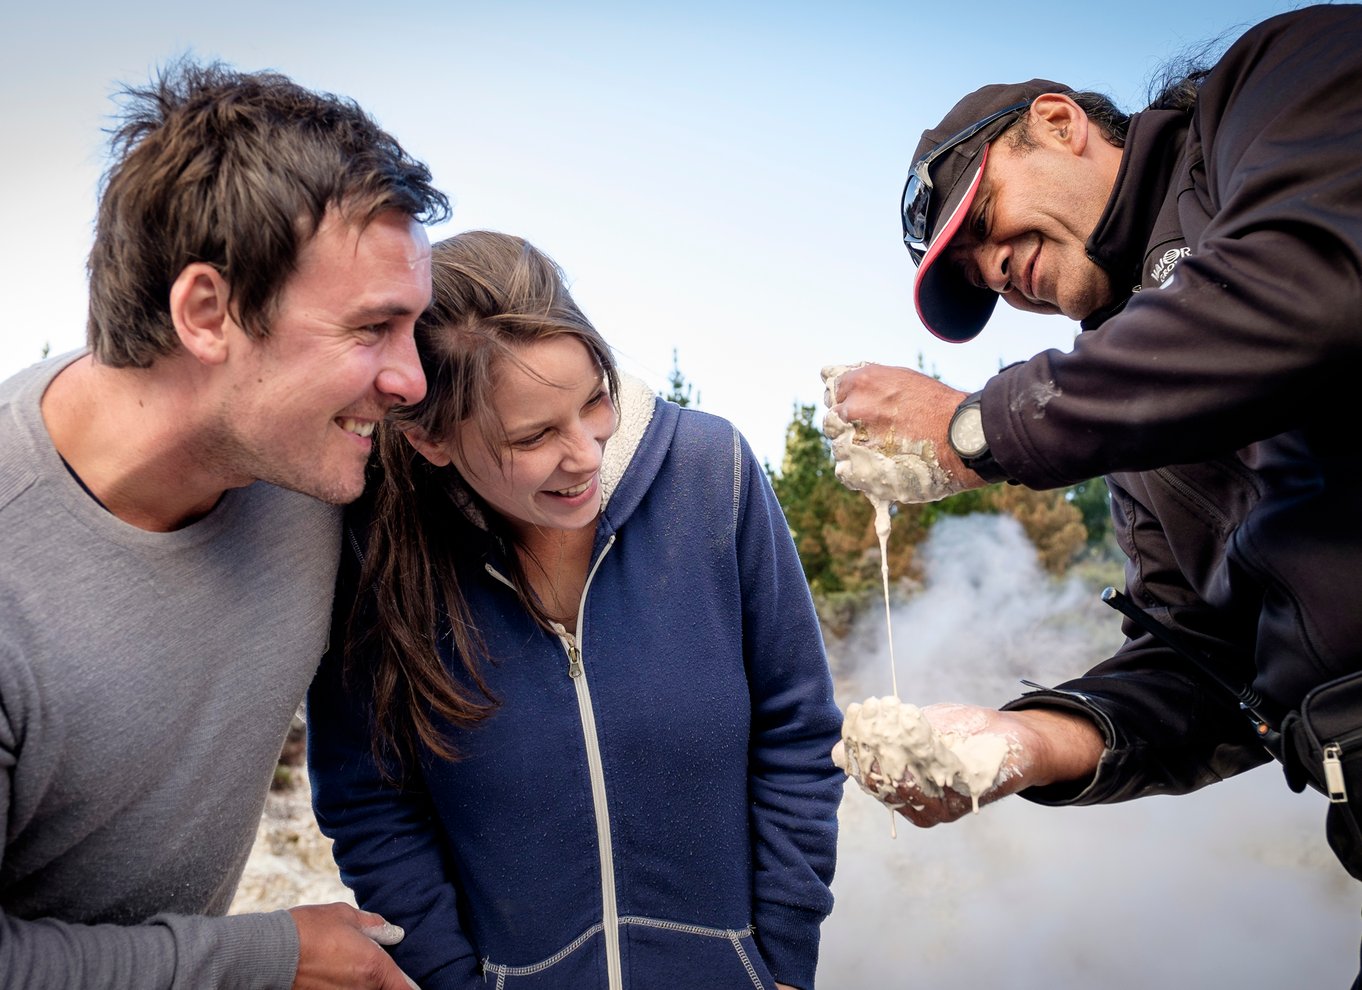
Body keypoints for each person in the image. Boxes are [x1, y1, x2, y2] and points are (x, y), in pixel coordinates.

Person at [825, 0, 1362, 925]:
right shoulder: (1128, 427)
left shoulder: (1283, 78)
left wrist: (972, 430)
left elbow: (1311, 286)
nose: (993, 270)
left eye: (983, 220)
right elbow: (1201, 666)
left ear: (1059, 121)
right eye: (973, 277)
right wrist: (1023, 741)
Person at [0, 59, 449, 989]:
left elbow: (548, 439)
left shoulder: (317, 461)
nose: (411, 382)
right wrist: (270, 957)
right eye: (372, 330)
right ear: (208, 312)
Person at [306, 230, 842, 990]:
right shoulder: (376, 546)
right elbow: (369, 800)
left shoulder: (712, 474)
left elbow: (799, 727)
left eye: (596, 400)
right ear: (431, 441)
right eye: (532, 436)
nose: (586, 453)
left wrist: (784, 960)